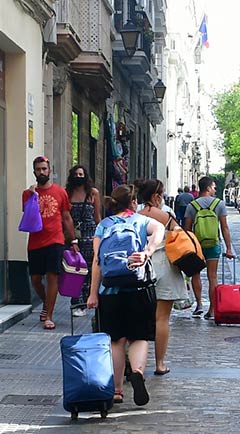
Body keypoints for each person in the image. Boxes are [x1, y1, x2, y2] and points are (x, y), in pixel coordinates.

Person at [87, 184, 165, 405]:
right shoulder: (140, 221)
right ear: (133, 203)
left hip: (110, 291)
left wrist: (93, 293)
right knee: (139, 337)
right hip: (139, 288)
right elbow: (160, 229)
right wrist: (147, 252)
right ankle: (138, 372)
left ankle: (117, 390)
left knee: (116, 341)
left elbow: (97, 261)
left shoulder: (104, 225)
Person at [136, 179, 187, 376]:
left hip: (140, 268)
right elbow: (180, 236)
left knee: (138, 318)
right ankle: (159, 364)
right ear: (156, 196)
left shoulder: (135, 215)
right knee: (162, 319)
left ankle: (135, 365)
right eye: (162, 194)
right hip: (164, 266)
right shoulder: (165, 216)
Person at [23, 155, 79, 330]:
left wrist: (74, 240)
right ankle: (46, 303)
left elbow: (67, 217)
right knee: (35, 279)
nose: (41, 172)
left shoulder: (60, 192)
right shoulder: (28, 194)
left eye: (44, 169)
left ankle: (49, 315)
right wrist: (32, 196)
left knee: (52, 276)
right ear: (34, 172)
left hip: (55, 240)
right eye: (38, 169)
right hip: (35, 241)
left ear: (50, 171)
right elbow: (28, 216)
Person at [185, 176, 235, 319]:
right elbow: (224, 228)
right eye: (213, 187)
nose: (214, 189)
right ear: (208, 188)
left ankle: (199, 304)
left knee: (196, 274)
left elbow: (187, 229)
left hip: (197, 246)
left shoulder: (192, 206)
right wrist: (229, 248)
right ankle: (212, 310)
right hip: (213, 244)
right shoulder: (219, 204)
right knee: (212, 277)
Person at [66, 165, 102, 316]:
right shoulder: (67, 194)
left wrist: (101, 236)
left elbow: (97, 216)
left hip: (90, 235)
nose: (79, 176)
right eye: (76, 174)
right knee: (74, 269)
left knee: (88, 269)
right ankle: (76, 302)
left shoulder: (93, 193)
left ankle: (86, 300)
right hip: (73, 235)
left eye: (81, 174)